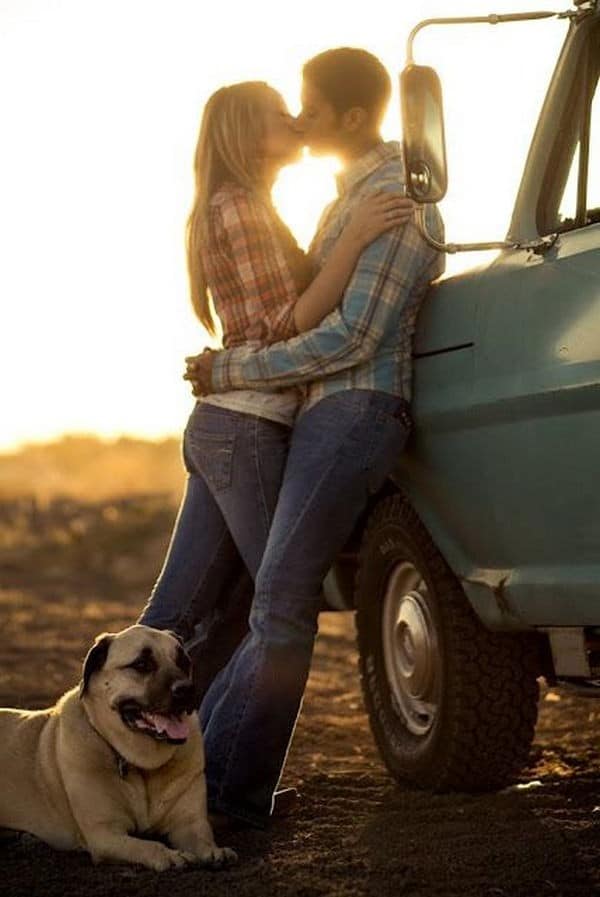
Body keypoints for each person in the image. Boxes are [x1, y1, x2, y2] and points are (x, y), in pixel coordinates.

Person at [185, 47, 445, 830]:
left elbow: (352, 337)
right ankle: (212, 784)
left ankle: (221, 795)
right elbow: (303, 308)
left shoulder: (397, 197)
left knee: (280, 604)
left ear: (354, 118)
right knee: (263, 601)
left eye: (309, 108)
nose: (298, 120)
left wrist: (235, 367)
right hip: (317, 414)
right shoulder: (345, 202)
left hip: (356, 409)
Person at [138, 82, 412, 682]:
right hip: (246, 423)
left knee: (189, 613)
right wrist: (358, 238)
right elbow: (281, 327)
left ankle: (156, 757)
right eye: (278, 113)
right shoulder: (237, 206)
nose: (294, 118)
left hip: (232, 423)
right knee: (274, 606)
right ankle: (106, 749)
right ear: (245, 134)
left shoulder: (249, 204)